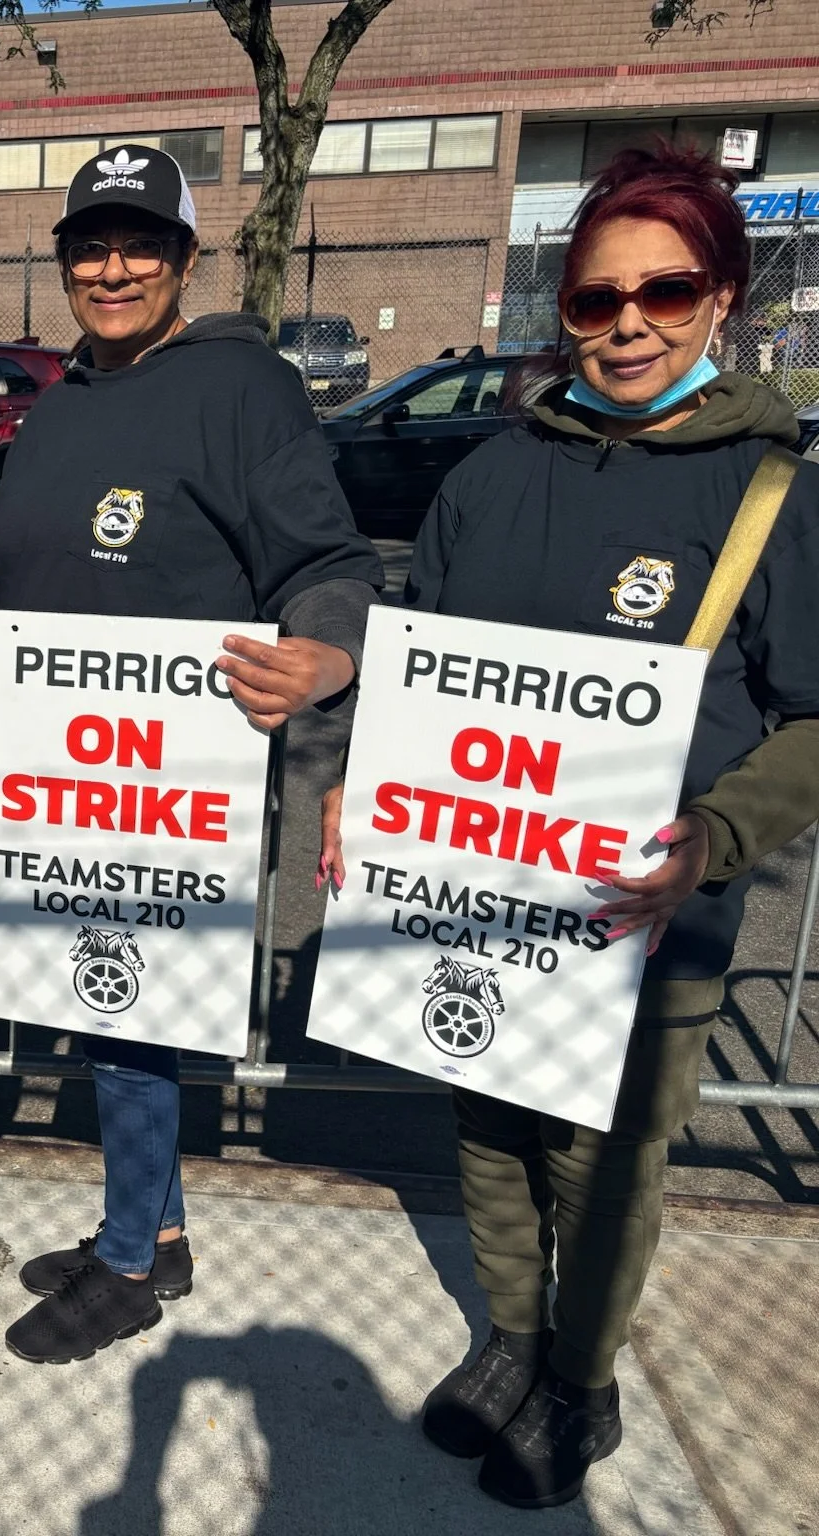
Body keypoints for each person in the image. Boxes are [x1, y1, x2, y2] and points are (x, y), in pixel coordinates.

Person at [320, 144, 819, 1511]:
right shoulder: (491, 476)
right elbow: (426, 665)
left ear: (722, 296)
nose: (630, 327)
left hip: (653, 916)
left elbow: (814, 719)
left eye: (666, 291)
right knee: (489, 1121)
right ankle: (514, 1339)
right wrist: (367, 787)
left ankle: (582, 1384)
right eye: (597, 303)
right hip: (481, 895)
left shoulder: (774, 492)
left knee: (604, 1166)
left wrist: (715, 837)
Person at [0, 147, 383, 1364]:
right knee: (93, 1014)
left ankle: (131, 1262)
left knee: (133, 1027)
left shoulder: (244, 389)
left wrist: (328, 659)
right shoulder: (59, 404)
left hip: (179, 780)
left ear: (187, 258)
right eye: (89, 245)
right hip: (60, 779)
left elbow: (326, 563)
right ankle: (154, 1228)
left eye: (140, 245)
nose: (112, 267)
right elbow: (22, 590)